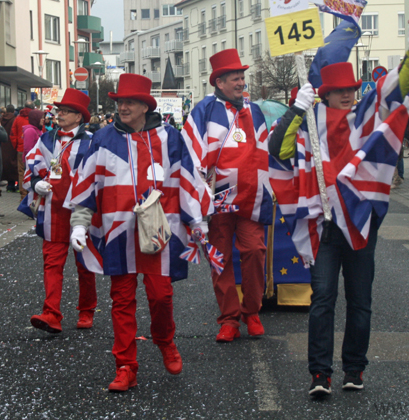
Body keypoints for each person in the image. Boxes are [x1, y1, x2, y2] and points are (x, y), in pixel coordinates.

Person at [268, 19, 409, 396]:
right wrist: (295, 110)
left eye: (351, 89)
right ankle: (319, 374)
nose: (348, 95)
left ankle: (355, 369)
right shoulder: (310, 120)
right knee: (322, 300)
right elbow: (278, 152)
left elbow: (396, 89)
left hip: (360, 223)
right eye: (339, 91)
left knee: (361, 301)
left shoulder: (366, 116)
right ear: (324, 94)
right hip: (324, 225)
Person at [66, 75, 211, 392]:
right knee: (121, 299)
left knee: (161, 296)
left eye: (129, 101)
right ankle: (125, 366)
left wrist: (197, 221)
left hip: (159, 232)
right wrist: (79, 222)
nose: (123, 107)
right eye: (119, 102)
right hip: (118, 234)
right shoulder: (102, 139)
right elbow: (86, 184)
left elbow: (187, 181)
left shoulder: (171, 138)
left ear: (146, 105)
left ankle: (164, 340)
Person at [182, 48, 273, 343]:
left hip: (251, 197)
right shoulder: (203, 110)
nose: (241, 82)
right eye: (235, 78)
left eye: (242, 77)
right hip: (218, 199)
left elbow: (265, 151)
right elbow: (191, 153)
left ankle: (252, 311)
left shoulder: (254, 110)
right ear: (219, 82)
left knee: (255, 252)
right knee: (219, 258)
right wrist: (196, 198)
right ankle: (229, 318)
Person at [21, 90, 97, 335]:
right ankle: (51, 313)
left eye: (65, 111)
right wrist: (35, 184)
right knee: (51, 263)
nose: (59, 114)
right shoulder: (46, 139)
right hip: (52, 210)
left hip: (81, 212)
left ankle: (86, 310)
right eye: (59, 110)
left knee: (84, 264)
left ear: (78, 117)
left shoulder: (92, 142)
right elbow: (31, 167)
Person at [10, 101, 33, 198]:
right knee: (32, 170)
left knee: (21, 172)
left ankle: (23, 195)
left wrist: (17, 145)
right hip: (33, 148)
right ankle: (32, 194)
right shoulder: (34, 117)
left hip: (21, 148)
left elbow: (12, 134)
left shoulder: (18, 118)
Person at [0, 105, 19, 192]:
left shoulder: (1, 119)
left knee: (7, 165)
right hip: (12, 144)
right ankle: (17, 185)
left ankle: (10, 185)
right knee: (15, 165)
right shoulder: (14, 119)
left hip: (3, 144)